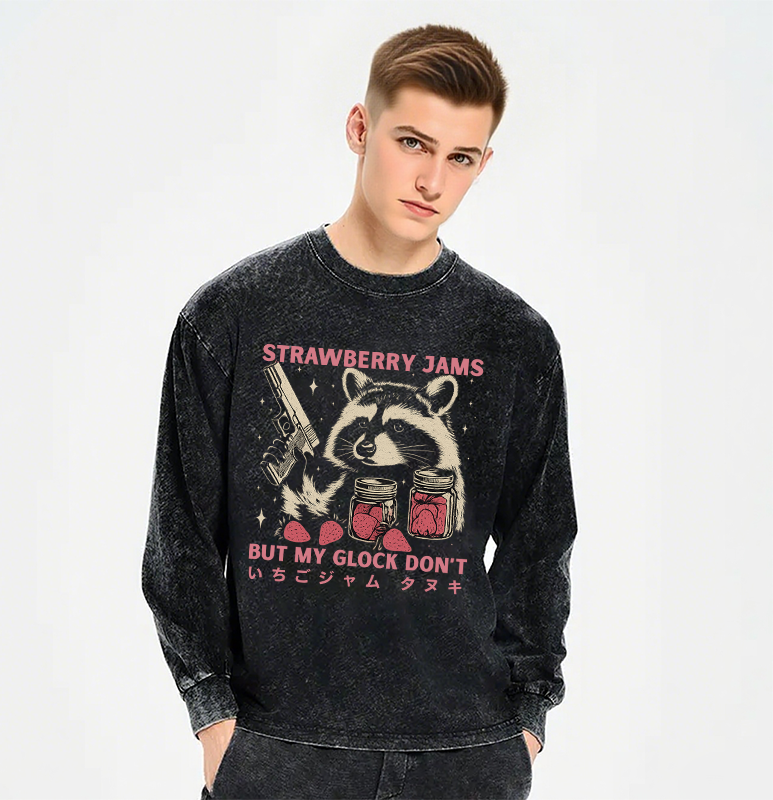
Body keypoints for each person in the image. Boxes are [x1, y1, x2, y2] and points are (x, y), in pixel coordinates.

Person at [142, 23, 578, 800]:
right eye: (413, 142)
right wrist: (213, 716)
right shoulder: (233, 316)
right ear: (359, 128)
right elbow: (181, 537)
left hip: (464, 755)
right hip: (279, 752)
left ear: (483, 163)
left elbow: (540, 544)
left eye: (461, 157)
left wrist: (526, 722)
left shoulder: (514, 340)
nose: (432, 181)